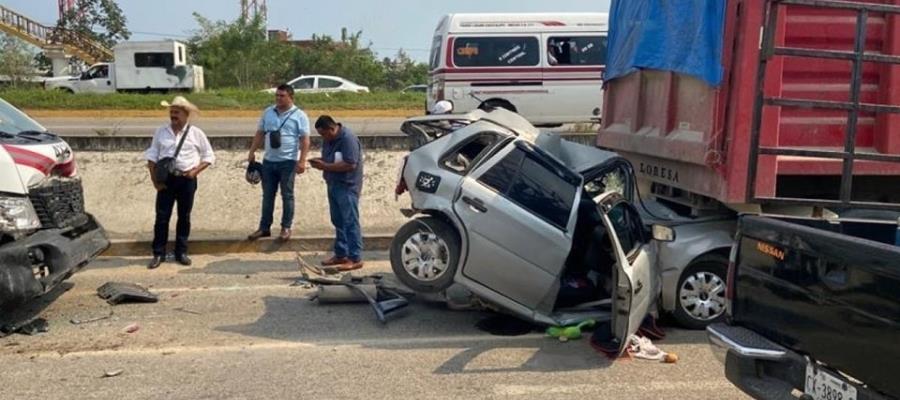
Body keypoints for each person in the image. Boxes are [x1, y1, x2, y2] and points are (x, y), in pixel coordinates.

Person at [144, 96, 215, 269]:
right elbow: (152, 157)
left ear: (186, 114)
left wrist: (194, 172)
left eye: (177, 112)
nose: (173, 115)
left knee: (184, 217)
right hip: (166, 181)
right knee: (162, 218)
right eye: (172, 112)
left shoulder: (196, 133)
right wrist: (155, 181)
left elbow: (209, 156)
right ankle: (158, 253)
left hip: (186, 180)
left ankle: (181, 252)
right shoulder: (161, 132)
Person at [247, 84, 311, 241]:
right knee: (267, 196)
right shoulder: (268, 112)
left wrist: (302, 160)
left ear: (291, 97)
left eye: (282, 96)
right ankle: (264, 227)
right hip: (269, 161)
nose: (278, 98)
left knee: (287, 195)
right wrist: (252, 151)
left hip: (288, 162)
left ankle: (286, 227)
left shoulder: (299, 115)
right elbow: (260, 133)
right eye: (277, 95)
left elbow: (305, 140)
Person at [309, 116, 364, 270]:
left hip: (347, 186)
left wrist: (325, 166)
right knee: (338, 221)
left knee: (350, 222)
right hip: (333, 183)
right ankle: (341, 254)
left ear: (332, 129)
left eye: (324, 134)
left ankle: (355, 257)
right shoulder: (329, 139)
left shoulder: (348, 139)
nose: (323, 138)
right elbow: (330, 159)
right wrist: (320, 162)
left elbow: (350, 163)